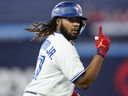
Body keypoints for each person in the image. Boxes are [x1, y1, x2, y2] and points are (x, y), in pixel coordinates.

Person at [22, 1, 111, 96]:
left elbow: (55, 76)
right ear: (58, 21)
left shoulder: (52, 38)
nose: (76, 24)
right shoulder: (63, 45)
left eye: (78, 20)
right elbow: (84, 82)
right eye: (71, 20)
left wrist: (68, 93)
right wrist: (101, 52)